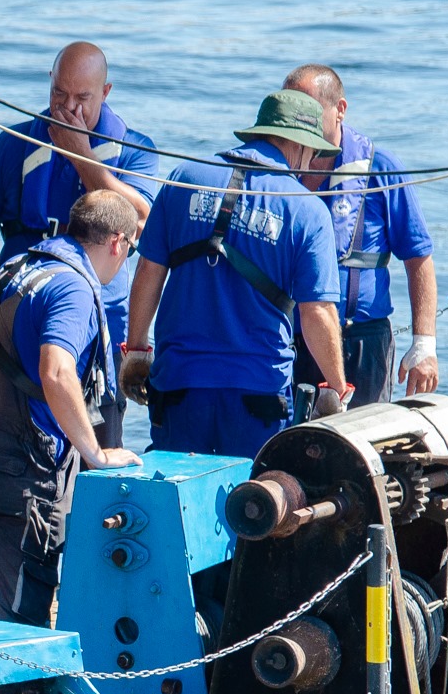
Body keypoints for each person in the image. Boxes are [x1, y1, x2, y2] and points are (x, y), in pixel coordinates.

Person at [0, 42, 158, 448]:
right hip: (19, 315)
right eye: (59, 94)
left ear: (105, 93)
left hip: (99, 321)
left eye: (82, 98)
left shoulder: (135, 151)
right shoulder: (14, 144)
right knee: (6, 432)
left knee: (99, 441)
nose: (68, 107)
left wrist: (81, 156)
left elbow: (142, 223)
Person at [121, 90, 348, 458]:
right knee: (251, 507)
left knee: (174, 493)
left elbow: (148, 270)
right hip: (257, 395)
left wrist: (135, 350)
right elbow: (317, 312)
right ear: (303, 147)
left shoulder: (185, 176)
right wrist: (336, 388)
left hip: (179, 384)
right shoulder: (307, 210)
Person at [0, 190, 142, 625]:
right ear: (117, 241)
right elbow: (56, 371)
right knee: (16, 620)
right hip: (21, 468)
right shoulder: (73, 288)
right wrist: (95, 453)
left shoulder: (17, 268)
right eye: (130, 249)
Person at [282, 64, 438, 404]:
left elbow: (418, 258)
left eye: (309, 110)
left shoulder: (380, 168)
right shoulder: (277, 169)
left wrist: (423, 344)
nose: (299, 120)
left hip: (362, 341)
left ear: (339, 110)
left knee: (362, 448)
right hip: (286, 338)